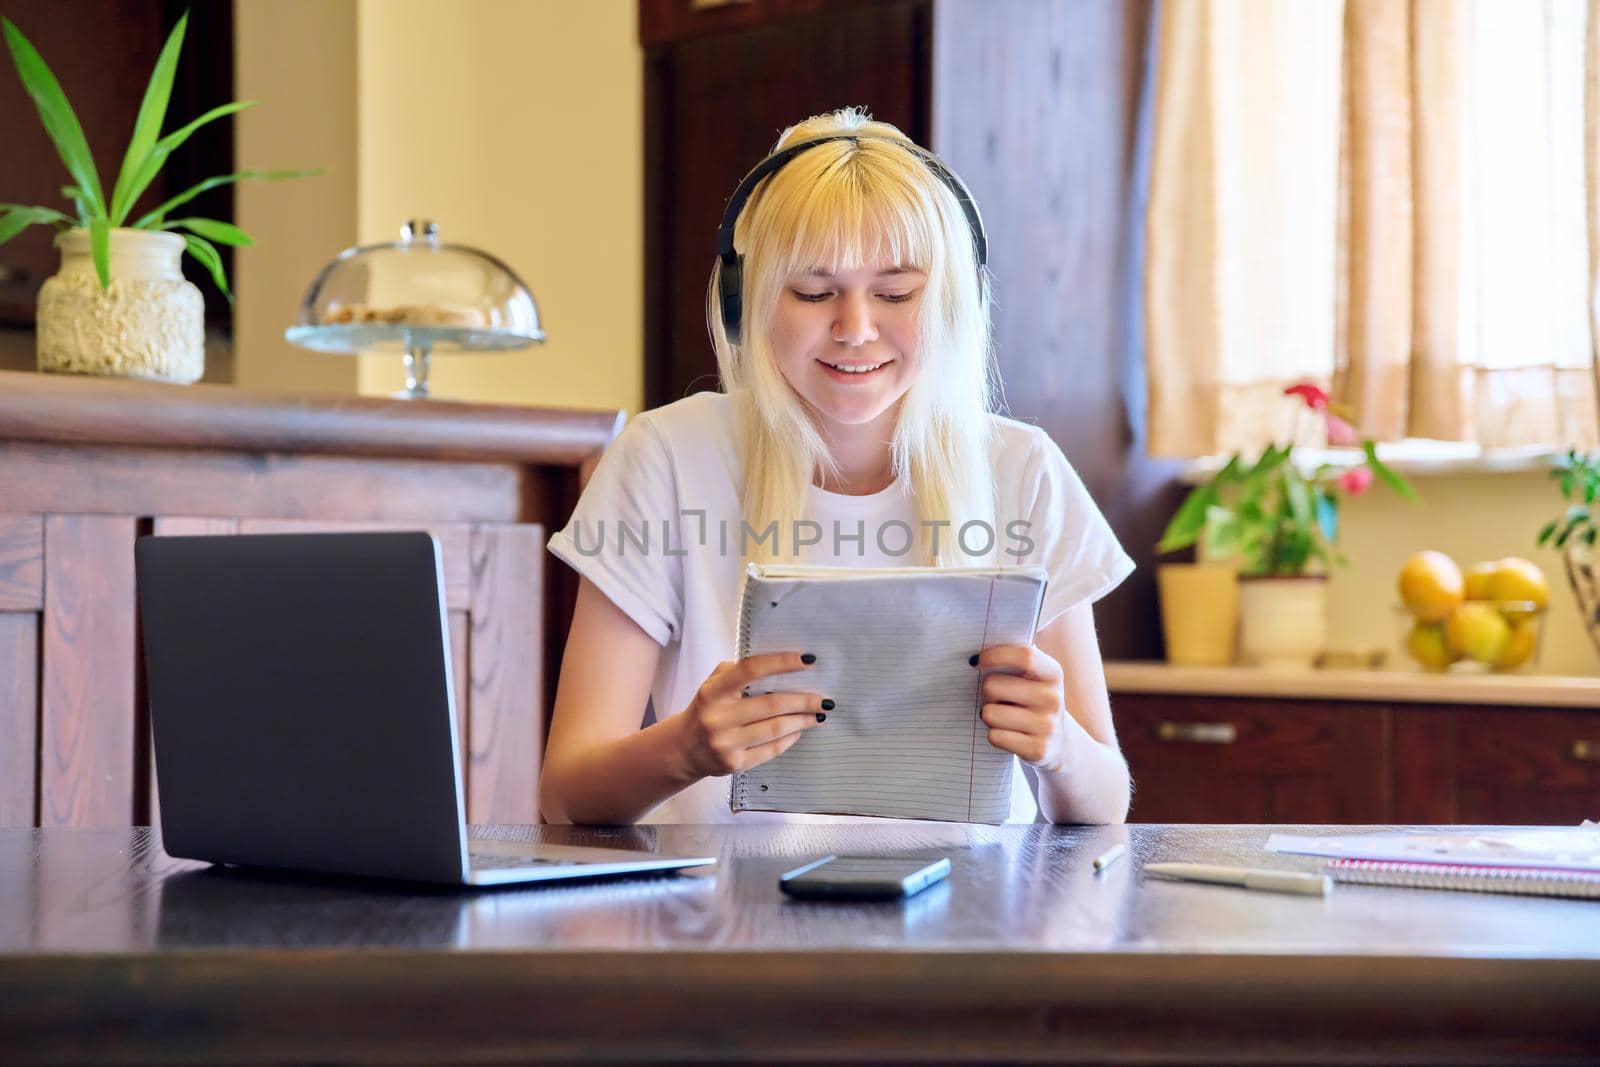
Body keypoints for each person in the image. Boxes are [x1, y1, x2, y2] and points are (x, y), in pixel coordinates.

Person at [540, 107, 1134, 826]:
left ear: (951, 302)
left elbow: (1107, 801)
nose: (855, 328)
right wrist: (685, 748)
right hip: (727, 922)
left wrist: (1060, 746)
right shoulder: (663, 458)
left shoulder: (1024, 469)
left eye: (895, 292)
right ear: (747, 303)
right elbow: (564, 794)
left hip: (968, 924)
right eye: (814, 292)